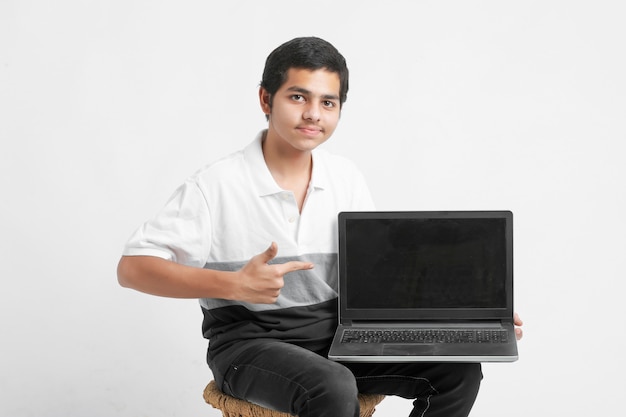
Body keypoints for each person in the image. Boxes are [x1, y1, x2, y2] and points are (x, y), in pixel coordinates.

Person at [117, 36, 523, 417]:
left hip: (337, 338)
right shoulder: (215, 185)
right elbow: (132, 269)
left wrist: (469, 318)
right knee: (331, 385)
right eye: (298, 97)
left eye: (328, 102)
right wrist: (232, 285)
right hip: (249, 348)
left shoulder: (345, 178)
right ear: (266, 99)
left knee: (460, 370)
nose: (313, 113)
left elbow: (377, 280)